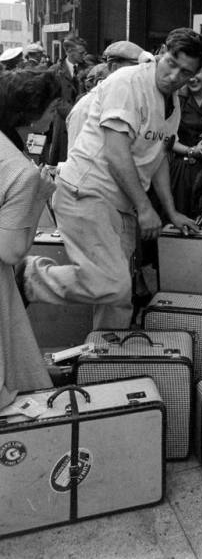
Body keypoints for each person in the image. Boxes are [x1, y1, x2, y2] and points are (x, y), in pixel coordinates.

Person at [18, 28, 202, 330]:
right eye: (171, 62)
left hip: (120, 203)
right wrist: (146, 208)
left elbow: (157, 156)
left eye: (185, 72)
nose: (174, 75)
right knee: (113, 284)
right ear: (160, 52)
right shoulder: (128, 82)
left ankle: (106, 362)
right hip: (87, 192)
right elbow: (116, 152)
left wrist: (170, 211)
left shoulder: (171, 100)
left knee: (119, 297)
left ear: (195, 75)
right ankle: (30, 278)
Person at [0, 68, 62, 408]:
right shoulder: (22, 172)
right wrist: (40, 195)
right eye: (52, 108)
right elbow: (11, 252)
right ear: (31, 111)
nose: (55, 116)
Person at [66, 41, 142, 152]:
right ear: (114, 67)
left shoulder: (129, 101)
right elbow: (76, 157)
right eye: (135, 68)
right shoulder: (86, 106)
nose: (140, 74)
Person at [170, 61, 202, 217]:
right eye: (188, 74)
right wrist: (192, 150)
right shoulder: (176, 99)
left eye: (196, 73)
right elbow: (167, 139)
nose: (192, 78)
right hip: (183, 171)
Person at [45, 33, 88, 165]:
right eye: (81, 52)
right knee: (61, 159)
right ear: (69, 51)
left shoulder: (88, 70)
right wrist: (74, 113)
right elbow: (54, 97)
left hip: (84, 122)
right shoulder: (54, 71)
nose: (84, 54)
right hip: (62, 122)